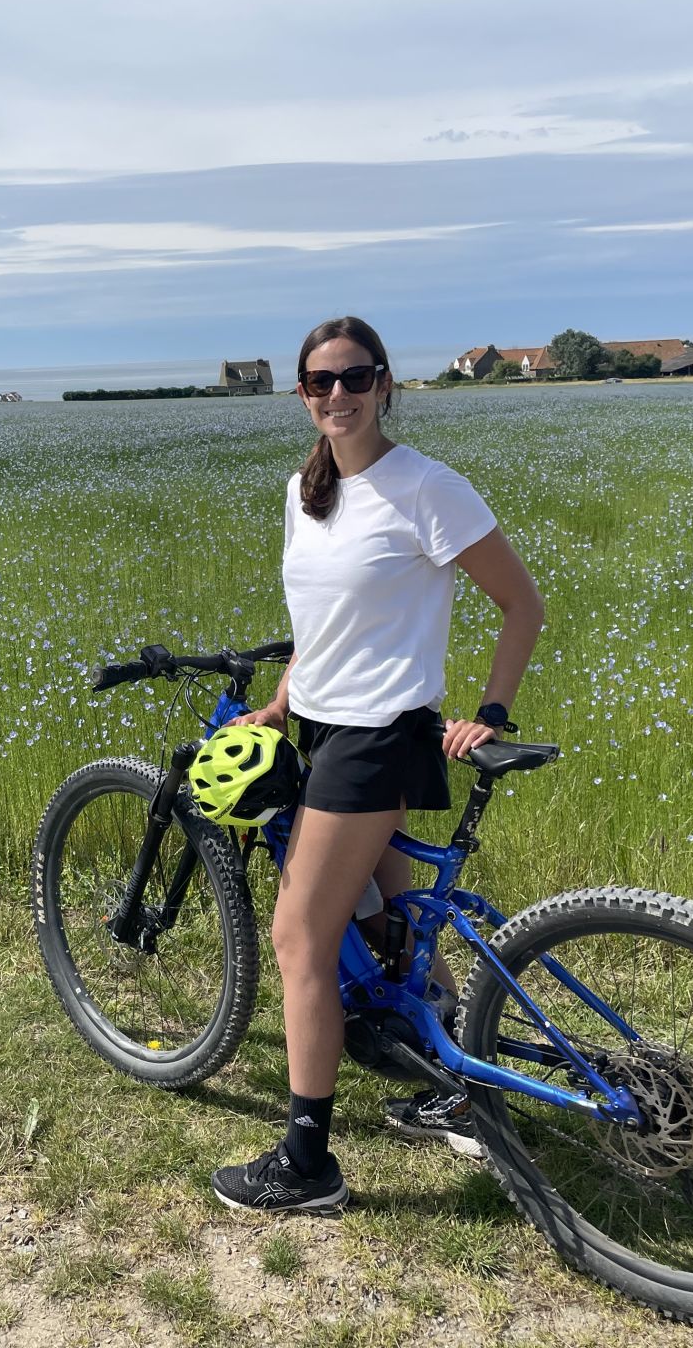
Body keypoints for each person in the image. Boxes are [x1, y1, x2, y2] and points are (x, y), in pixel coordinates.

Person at [210, 316, 544, 1213]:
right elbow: (323, 626)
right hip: (322, 727)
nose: (339, 396)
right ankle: (453, 1083)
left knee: (298, 937)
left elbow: (522, 605)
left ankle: (308, 1163)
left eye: (356, 379)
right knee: (402, 913)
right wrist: (282, 702)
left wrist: (492, 713)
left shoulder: (427, 488)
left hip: (377, 739)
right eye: (321, 383)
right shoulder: (304, 491)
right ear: (302, 394)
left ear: (386, 384)